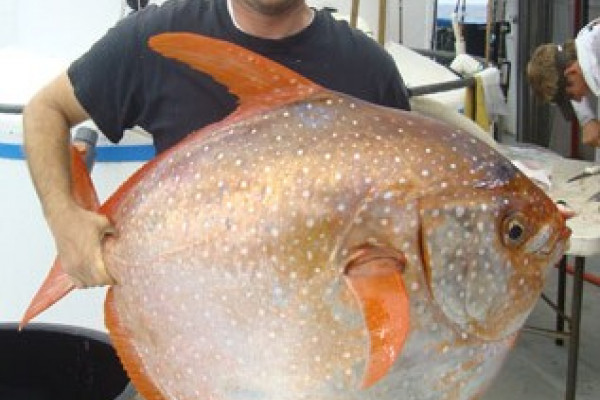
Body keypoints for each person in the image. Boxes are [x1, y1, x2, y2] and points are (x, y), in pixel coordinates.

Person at [23, 0, 411, 288]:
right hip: (190, 343)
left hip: (318, 354)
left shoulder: (370, 71)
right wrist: (64, 219)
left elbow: (402, 219)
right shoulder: (152, 39)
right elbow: (45, 110)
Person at [527, 18, 600, 148]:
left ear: (571, 72)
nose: (578, 99)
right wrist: (587, 119)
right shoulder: (586, 41)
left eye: (571, 96)